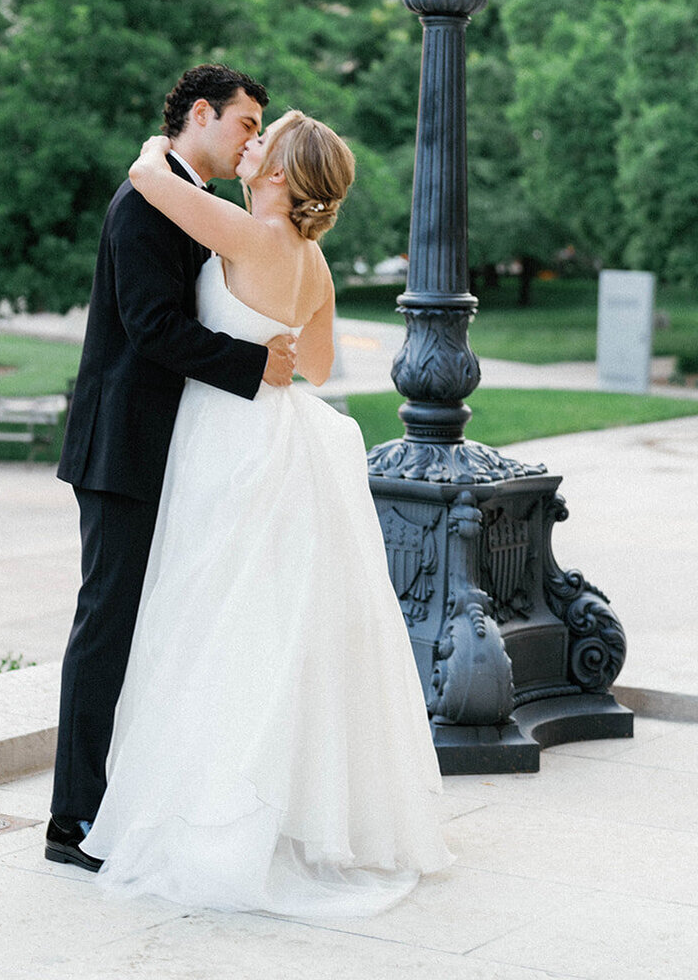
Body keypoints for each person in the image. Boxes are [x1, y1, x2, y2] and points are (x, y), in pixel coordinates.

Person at [78, 110, 453, 917]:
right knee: (260, 624)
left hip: (224, 440)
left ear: (281, 177)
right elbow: (312, 363)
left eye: (263, 143)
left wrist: (156, 142)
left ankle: (203, 810)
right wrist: (268, 339)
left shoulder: (249, 234)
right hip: (275, 433)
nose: (248, 148)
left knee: (204, 619)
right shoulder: (309, 261)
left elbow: (149, 177)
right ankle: (268, 806)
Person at [47, 65, 299, 873]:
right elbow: (153, 326)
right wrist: (252, 362)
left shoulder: (185, 196)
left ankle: (132, 797)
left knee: (157, 627)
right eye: (244, 122)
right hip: (122, 448)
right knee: (106, 629)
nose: (251, 138)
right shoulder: (142, 203)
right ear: (202, 113)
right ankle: (71, 820)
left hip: (171, 448)